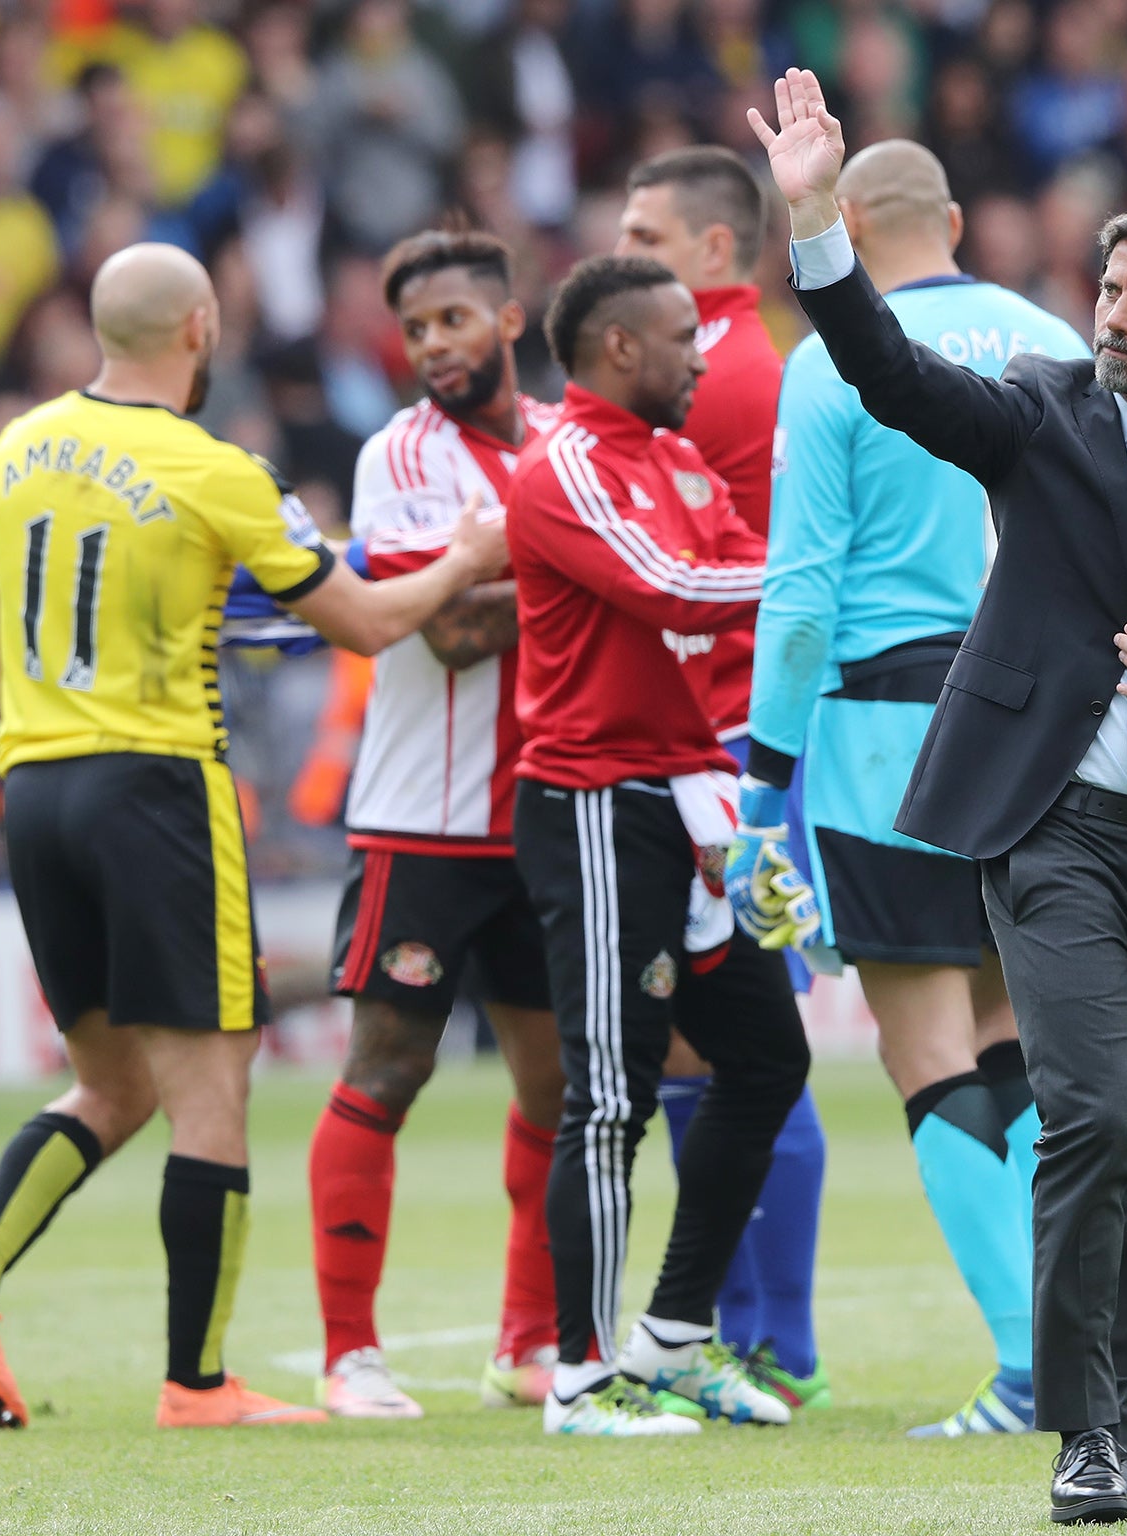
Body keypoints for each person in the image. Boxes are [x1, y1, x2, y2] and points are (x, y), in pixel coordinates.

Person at [753, 70, 1127, 1523]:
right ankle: (1079, 1428)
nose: (1114, 319)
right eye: (1108, 290)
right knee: (1092, 1114)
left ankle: (1126, 1442)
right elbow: (887, 372)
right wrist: (815, 218)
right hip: (1055, 829)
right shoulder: (1039, 416)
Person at [0, 241, 508, 1431]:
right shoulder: (212, 467)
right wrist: (470, 558)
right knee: (212, 1082)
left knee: (111, 1085)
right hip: (156, 789)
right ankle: (198, 1384)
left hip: (34, 784)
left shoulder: (14, 449)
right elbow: (368, 623)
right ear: (199, 328)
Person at [732, 138, 1088, 1438]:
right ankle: (1077, 1342)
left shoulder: (829, 362)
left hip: (892, 727)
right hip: (1048, 725)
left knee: (924, 1044)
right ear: (946, 218)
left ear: (845, 228)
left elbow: (803, 596)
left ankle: (1029, 1364)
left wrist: (766, 788)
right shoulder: (1056, 336)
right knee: (1013, 1034)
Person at [506, 254, 809, 1437]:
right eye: (684, 335)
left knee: (767, 1061)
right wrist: (814, 573)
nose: (703, 353)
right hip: (594, 805)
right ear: (619, 349)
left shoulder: (678, 460)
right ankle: (577, 1379)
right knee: (608, 1096)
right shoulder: (562, 468)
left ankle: (672, 1339)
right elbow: (683, 587)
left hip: (690, 800)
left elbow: (730, 575)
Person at [304, 226, 567, 1420]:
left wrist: (530, 574)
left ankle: (528, 1344)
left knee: (559, 1083)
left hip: (552, 810)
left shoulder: (574, 438)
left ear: (508, 321)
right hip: (423, 819)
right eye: (412, 329)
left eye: (452, 320)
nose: (431, 346)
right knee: (390, 1066)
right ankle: (348, 1354)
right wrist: (583, 577)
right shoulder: (398, 458)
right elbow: (448, 631)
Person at [611, 143, 830, 1411]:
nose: (624, 249)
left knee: (746, 1036)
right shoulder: (747, 367)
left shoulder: (726, 380)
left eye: (646, 234)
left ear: (712, 251)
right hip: (719, 747)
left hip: (737, 753)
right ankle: (742, 1328)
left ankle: (767, 1336)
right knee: (713, 1043)